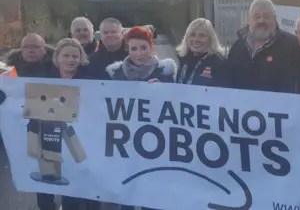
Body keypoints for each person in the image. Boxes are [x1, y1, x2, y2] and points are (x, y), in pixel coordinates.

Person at [106, 27, 175, 210]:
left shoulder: (165, 72)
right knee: (127, 189)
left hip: (156, 142)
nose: (139, 53)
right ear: (127, 49)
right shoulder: (116, 73)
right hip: (125, 141)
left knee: (152, 192)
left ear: (151, 48)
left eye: (143, 48)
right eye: (134, 48)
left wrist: (166, 90)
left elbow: (179, 106)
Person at [0, 33, 57, 210]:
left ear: (44, 48)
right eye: (27, 47)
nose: (31, 51)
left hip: (49, 125)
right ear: (21, 49)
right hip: (18, 128)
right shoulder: (9, 72)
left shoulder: (55, 68)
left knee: (47, 168)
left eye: (36, 47)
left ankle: (47, 204)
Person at [45, 38, 99, 210]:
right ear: (57, 57)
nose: (70, 60)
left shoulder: (92, 81)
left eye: (75, 56)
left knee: (90, 191)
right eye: (66, 55)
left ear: (81, 58)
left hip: (85, 140)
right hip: (55, 139)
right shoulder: (44, 81)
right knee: (69, 192)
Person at [225, 0, 300, 93]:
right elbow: (228, 81)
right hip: (242, 107)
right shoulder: (238, 47)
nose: (261, 21)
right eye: (257, 16)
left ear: (275, 19)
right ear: (249, 19)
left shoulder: (292, 45)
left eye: (266, 17)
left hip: (279, 106)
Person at [176, 18, 227, 86]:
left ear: (211, 39)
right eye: (192, 35)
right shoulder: (183, 60)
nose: (196, 39)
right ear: (186, 38)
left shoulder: (218, 63)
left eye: (202, 36)